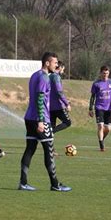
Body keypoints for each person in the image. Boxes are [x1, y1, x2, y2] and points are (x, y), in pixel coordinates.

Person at [18, 52, 71, 192]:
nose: (57, 65)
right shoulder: (44, 78)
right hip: (40, 119)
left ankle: (23, 183)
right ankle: (55, 184)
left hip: (29, 117)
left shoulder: (35, 75)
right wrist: (41, 121)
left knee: (30, 149)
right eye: (55, 63)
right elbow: (40, 99)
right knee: (49, 150)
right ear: (47, 63)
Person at [89, 66, 111, 152]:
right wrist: (90, 108)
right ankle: (101, 145)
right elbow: (92, 97)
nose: (105, 75)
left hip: (109, 108)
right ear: (100, 73)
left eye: (107, 73)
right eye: (104, 73)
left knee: (108, 128)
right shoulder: (96, 84)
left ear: (109, 73)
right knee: (100, 126)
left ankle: (101, 139)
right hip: (99, 108)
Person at [49, 61, 71, 156]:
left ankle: (51, 150)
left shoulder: (49, 76)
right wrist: (67, 103)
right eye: (63, 68)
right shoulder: (56, 77)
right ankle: (52, 132)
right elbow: (59, 92)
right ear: (60, 67)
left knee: (51, 127)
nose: (63, 70)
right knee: (67, 122)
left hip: (49, 107)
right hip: (58, 106)